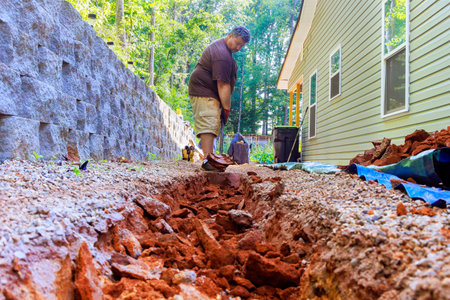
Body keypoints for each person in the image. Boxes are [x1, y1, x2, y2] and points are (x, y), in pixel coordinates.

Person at [188, 26, 250, 171]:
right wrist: (226, 108)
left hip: (209, 92)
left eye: (242, 45)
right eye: (237, 43)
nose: (239, 47)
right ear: (230, 36)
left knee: (213, 122)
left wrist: (224, 108)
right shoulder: (222, 54)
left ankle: (210, 159)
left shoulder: (226, 52)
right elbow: (223, 85)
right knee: (209, 120)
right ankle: (208, 161)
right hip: (203, 90)